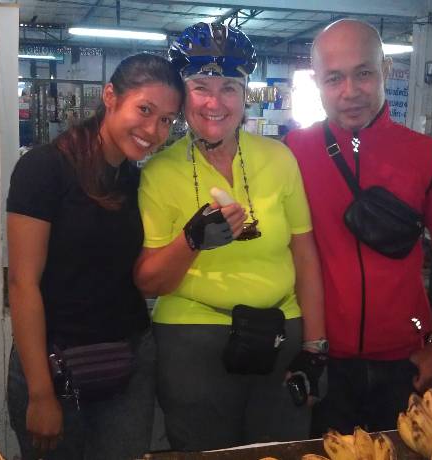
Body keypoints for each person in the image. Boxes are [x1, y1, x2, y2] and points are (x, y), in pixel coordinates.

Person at [135, 22, 327, 451]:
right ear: (182, 95)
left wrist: (315, 347)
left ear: (245, 95)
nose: (214, 102)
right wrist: (191, 240)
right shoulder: (159, 172)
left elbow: (305, 254)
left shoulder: (279, 158)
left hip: (282, 332)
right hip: (192, 341)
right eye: (201, 86)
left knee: (283, 449)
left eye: (230, 88)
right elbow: (149, 282)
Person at [284, 19, 432, 435]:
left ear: (386, 71)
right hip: (322, 358)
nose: (350, 92)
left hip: (405, 359)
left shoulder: (425, 155)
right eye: (334, 78)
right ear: (316, 81)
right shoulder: (293, 152)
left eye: (364, 73)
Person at [6, 53, 183, 460]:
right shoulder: (44, 169)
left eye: (167, 120)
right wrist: (40, 393)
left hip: (128, 363)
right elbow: (22, 283)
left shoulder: (136, 180)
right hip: (55, 364)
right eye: (144, 110)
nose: (153, 130)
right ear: (109, 96)